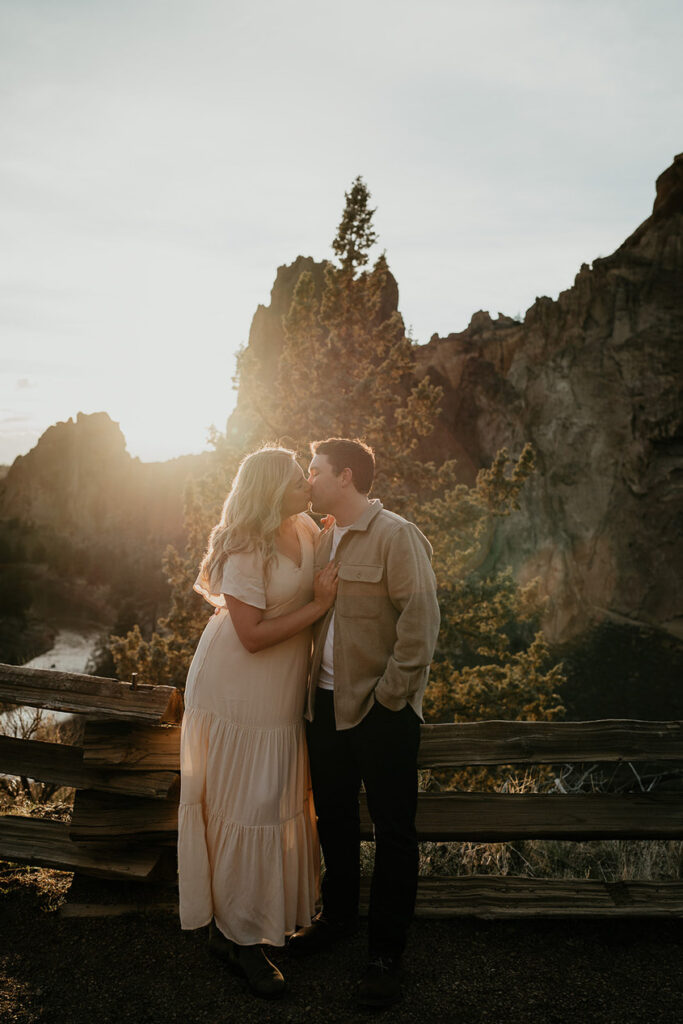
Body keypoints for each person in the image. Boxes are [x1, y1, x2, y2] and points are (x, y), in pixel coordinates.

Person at [178, 446, 338, 999]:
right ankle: (237, 940)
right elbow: (249, 637)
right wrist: (317, 608)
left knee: (271, 802)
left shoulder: (306, 527)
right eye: (300, 479)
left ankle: (255, 922)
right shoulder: (248, 543)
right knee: (245, 805)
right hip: (236, 691)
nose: (308, 485)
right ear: (273, 488)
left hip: (279, 692)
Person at [288, 437, 440, 1009]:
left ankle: (385, 953)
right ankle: (340, 920)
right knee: (333, 817)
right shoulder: (325, 537)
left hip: (381, 711)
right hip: (323, 707)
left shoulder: (397, 536)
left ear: (345, 476)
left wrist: (390, 699)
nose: (309, 480)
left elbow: (420, 624)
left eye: (316, 471)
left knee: (394, 832)